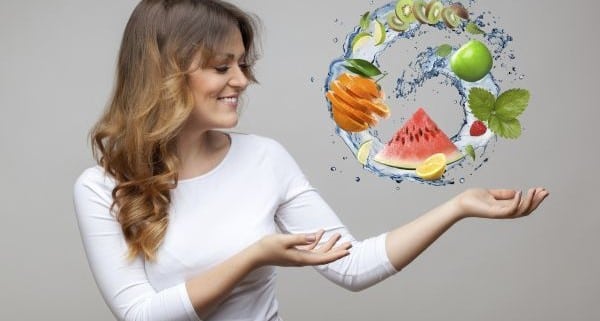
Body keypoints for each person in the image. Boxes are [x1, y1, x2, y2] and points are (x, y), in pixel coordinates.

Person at [73, 1, 549, 320]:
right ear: (164, 76)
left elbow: (353, 266)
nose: (240, 81)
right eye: (221, 67)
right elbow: (140, 316)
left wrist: (459, 206)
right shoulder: (99, 187)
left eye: (243, 64)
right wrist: (255, 255)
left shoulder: (265, 159)